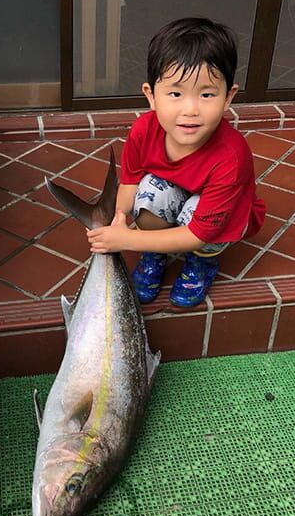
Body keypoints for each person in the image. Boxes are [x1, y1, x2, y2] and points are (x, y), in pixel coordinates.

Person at [86, 17, 266, 307]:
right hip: (177, 197)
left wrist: (126, 240)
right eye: (175, 93)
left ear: (227, 97)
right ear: (151, 96)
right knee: (149, 189)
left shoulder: (231, 157)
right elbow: (130, 183)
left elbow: (198, 234)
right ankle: (155, 254)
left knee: (199, 219)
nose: (191, 109)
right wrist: (118, 220)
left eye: (207, 94)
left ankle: (202, 264)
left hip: (214, 221)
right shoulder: (143, 130)